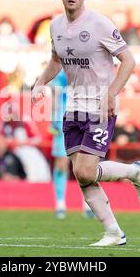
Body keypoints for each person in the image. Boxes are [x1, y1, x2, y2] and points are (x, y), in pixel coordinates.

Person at [32, 0, 140, 247]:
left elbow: (129, 60)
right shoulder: (56, 26)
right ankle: (113, 232)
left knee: (86, 171)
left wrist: (111, 93)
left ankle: (135, 172)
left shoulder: (99, 24)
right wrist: (39, 82)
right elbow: (55, 60)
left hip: (99, 107)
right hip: (72, 107)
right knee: (82, 176)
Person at [49, 68, 93, 219]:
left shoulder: (88, 68)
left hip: (85, 120)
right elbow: (55, 93)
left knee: (85, 164)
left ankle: (88, 204)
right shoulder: (63, 71)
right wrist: (54, 119)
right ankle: (60, 204)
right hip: (64, 119)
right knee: (61, 164)